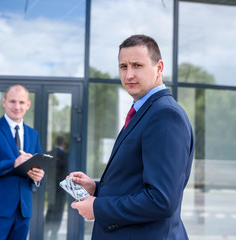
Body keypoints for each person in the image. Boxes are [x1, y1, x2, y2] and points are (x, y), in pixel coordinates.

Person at [69, 34, 194, 239]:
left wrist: (98, 208)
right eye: (123, 67)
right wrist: (96, 188)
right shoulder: (145, 111)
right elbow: (135, 183)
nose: (128, 75)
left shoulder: (165, 115)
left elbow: (161, 200)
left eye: (137, 65)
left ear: (159, 68)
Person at [0, 84, 45, 240]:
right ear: (4, 102)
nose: (17, 106)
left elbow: (36, 168)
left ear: (28, 104)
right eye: (12, 101)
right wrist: (12, 164)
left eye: (21, 102)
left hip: (23, 211)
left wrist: (38, 178)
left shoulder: (33, 135)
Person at [44, 135, 69, 240]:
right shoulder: (65, 156)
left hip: (50, 187)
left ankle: (45, 231)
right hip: (61, 189)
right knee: (59, 211)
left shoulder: (48, 154)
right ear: (64, 144)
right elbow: (66, 174)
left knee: (50, 209)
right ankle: (54, 234)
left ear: (55, 142)